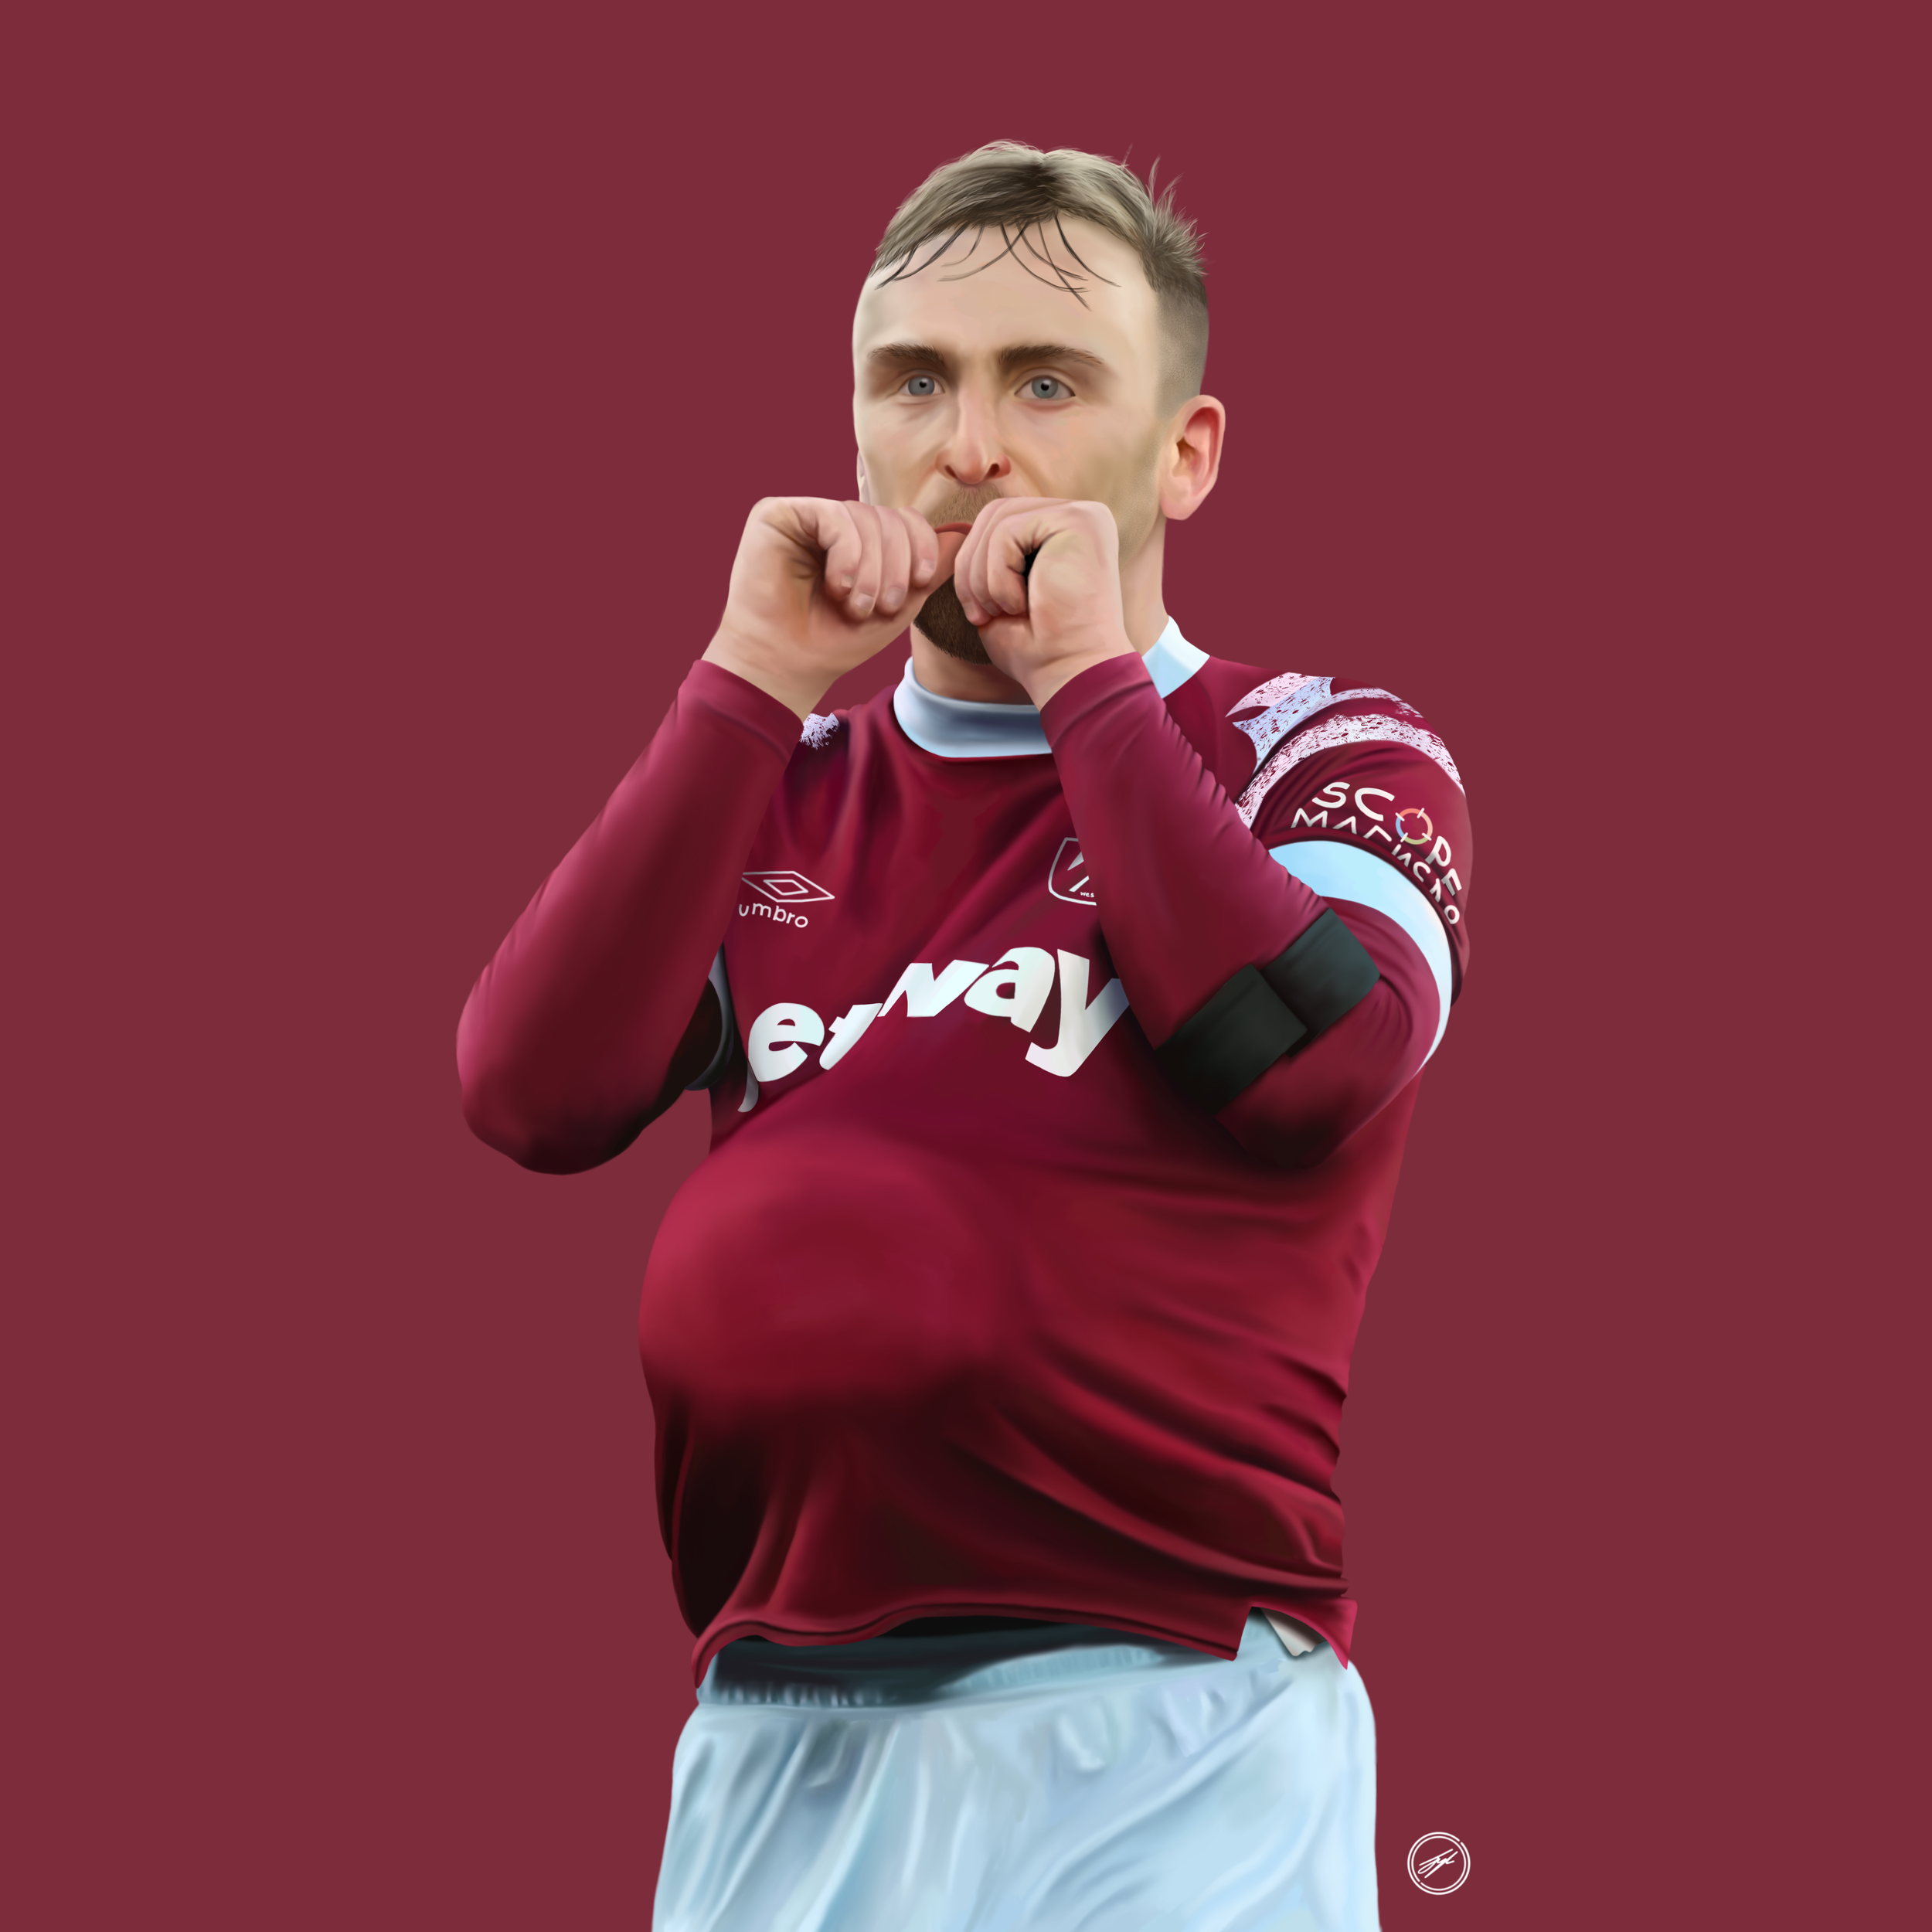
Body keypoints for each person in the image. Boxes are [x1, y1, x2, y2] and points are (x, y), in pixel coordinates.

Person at [458, 141, 1473, 1932]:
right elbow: (529, 1091)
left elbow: (1306, 1063)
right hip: (776, 1717)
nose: (969, 443)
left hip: (1169, 1712)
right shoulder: (783, 785)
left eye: (1046, 381)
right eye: (912, 379)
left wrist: (1089, 673)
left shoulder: (1320, 743)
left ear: (1185, 454)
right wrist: (748, 680)